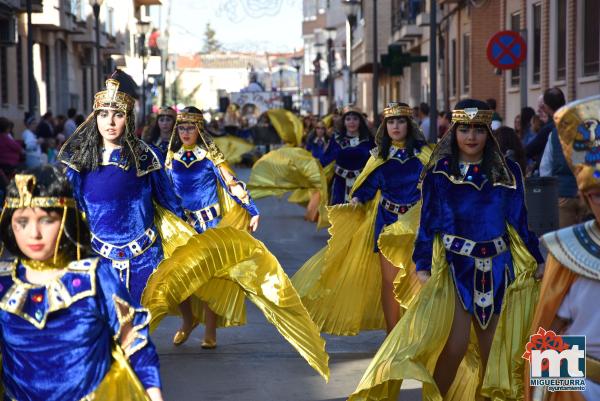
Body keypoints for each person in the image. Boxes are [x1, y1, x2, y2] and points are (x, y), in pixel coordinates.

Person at [349, 99, 545, 401]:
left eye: (478, 129)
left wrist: (538, 259)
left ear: (487, 132)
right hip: (455, 269)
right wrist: (422, 264)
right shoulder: (439, 174)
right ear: (454, 131)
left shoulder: (508, 173)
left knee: (494, 350)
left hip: (498, 268)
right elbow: (428, 224)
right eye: (464, 128)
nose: (471, 136)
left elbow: (519, 221)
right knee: (454, 348)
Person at [0, 166, 163, 401]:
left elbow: (134, 340)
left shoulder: (96, 277)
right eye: (22, 222)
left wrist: (155, 395)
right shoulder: (4, 281)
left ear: (66, 220)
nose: (33, 233)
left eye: (46, 220)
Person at [291, 103, 432, 336]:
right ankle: (392, 334)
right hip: (387, 224)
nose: (395, 127)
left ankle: (415, 333)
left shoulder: (425, 155)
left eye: (401, 121)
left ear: (410, 125)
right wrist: (357, 198)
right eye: (391, 122)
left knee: (417, 281)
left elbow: (436, 187)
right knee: (390, 282)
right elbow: (368, 185)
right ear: (385, 126)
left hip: (417, 227)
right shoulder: (379, 156)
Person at [58, 70, 184, 303]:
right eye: (103, 114)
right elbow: (70, 209)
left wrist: (190, 239)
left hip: (145, 258)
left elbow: (170, 203)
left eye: (118, 115)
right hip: (96, 259)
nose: (110, 122)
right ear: (95, 118)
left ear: (129, 118)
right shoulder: (80, 161)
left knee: (139, 328)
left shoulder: (146, 157)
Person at [525, 94, 600, 401]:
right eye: (597, 194)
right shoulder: (570, 251)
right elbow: (552, 330)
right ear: (586, 198)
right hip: (583, 389)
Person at [165, 106, 259, 348]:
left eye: (191, 127)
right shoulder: (170, 160)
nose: (186, 132)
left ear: (199, 129)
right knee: (177, 277)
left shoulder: (210, 158)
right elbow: (162, 192)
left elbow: (232, 184)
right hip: (181, 227)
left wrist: (252, 209)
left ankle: (210, 330)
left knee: (210, 279)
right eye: (182, 127)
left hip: (209, 225)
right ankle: (187, 321)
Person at [539, 87, 587, 227]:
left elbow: (546, 168)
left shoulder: (554, 134)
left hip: (562, 194)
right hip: (587, 195)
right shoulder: (587, 132)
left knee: (565, 241)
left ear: (547, 107)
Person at [319, 105, 374, 205]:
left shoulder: (368, 140)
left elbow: (375, 162)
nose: (351, 122)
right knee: (338, 215)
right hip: (339, 184)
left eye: (355, 119)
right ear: (344, 122)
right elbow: (325, 159)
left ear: (360, 121)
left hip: (361, 185)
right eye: (348, 119)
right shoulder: (336, 139)